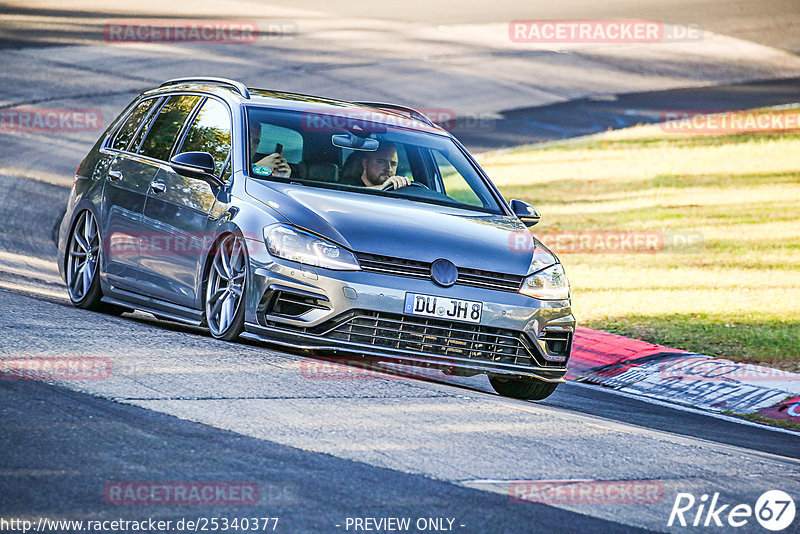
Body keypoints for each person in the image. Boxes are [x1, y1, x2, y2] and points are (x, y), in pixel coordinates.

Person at [339, 143, 411, 190]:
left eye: (393, 164)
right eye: (381, 162)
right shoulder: (345, 187)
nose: (389, 169)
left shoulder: (398, 190)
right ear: (365, 163)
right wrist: (381, 188)